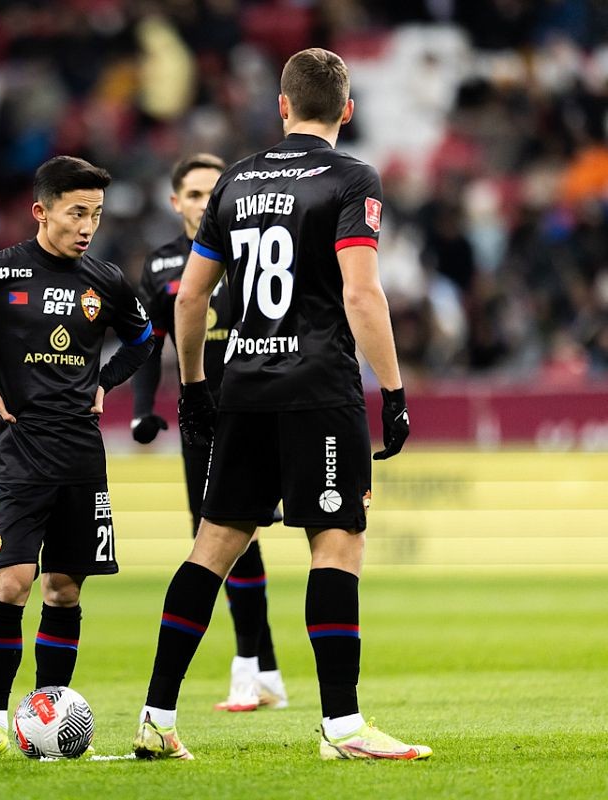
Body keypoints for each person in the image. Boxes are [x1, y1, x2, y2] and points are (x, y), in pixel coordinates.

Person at [132, 48, 429, 761]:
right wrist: (393, 391)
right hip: (317, 389)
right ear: (347, 109)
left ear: (282, 106)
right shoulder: (350, 178)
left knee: (212, 546)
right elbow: (360, 292)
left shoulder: (234, 180)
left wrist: (194, 387)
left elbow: (191, 297)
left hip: (243, 387)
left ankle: (156, 717)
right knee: (336, 542)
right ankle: (342, 726)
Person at [0, 156, 154, 756]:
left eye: (95, 214)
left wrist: (106, 381)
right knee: (12, 583)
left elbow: (144, 338)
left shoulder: (106, 279)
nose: (87, 226)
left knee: (65, 590)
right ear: (41, 212)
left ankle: (48, 715)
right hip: (19, 452)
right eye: (76, 213)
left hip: (81, 457)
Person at [131, 153, 287, 713]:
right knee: (222, 538)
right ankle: (264, 671)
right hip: (199, 417)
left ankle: (250, 670)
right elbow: (149, 343)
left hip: (256, 408)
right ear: (176, 202)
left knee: (232, 536)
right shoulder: (161, 265)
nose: (203, 203)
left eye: (211, 193)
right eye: (194, 195)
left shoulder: (253, 250)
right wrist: (142, 409)